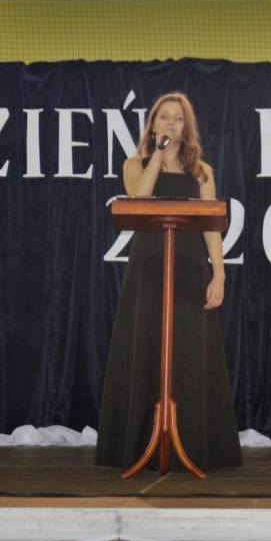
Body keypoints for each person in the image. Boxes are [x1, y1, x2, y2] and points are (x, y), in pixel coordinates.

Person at [95, 92, 243, 471]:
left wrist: (219, 274)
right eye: (165, 117)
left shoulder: (201, 171)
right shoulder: (136, 164)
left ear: (186, 127)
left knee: (189, 352)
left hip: (190, 267)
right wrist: (158, 157)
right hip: (148, 267)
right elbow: (139, 197)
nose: (171, 123)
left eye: (178, 118)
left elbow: (212, 229)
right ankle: (143, 444)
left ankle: (191, 444)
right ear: (153, 124)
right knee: (147, 346)